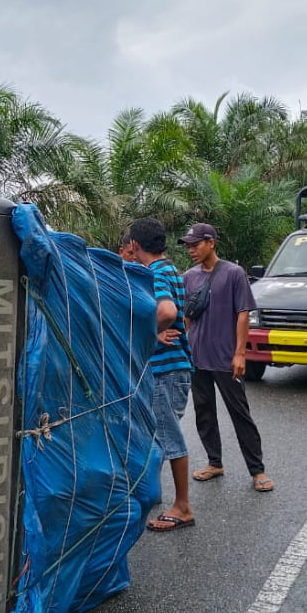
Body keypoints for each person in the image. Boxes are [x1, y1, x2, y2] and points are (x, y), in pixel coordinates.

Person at [179, 222, 274, 492]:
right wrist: (181, 348)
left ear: (211, 242)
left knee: (239, 413)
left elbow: (243, 313)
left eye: (195, 244)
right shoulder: (189, 277)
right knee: (204, 412)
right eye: (188, 246)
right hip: (197, 357)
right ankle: (214, 462)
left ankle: (257, 471)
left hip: (226, 358)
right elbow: (187, 317)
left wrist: (240, 353)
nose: (191, 250)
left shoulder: (234, 273)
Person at [126, 217, 196, 532]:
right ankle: (151, 492)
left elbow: (166, 312)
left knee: (168, 436)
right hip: (177, 366)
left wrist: (150, 333)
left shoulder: (154, 272)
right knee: (157, 435)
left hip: (164, 369)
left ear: (135, 246)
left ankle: (182, 506)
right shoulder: (170, 269)